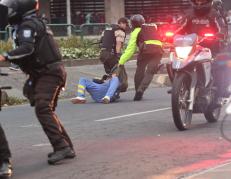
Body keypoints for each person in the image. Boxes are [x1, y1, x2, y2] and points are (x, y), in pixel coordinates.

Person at [0, 0, 75, 165]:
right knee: (46, 109)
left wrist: (5, 56)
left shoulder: (28, 25)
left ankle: (62, 147)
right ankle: (66, 146)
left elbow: (27, 49)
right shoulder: (27, 24)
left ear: (21, 9)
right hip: (43, 73)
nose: (8, 13)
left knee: (43, 108)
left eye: (11, 9)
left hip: (49, 72)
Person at [118, 14, 163, 101]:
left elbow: (130, 50)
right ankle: (141, 89)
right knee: (150, 71)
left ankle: (137, 91)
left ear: (133, 24)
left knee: (140, 70)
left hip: (145, 51)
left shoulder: (136, 32)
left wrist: (121, 61)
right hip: (158, 50)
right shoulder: (152, 27)